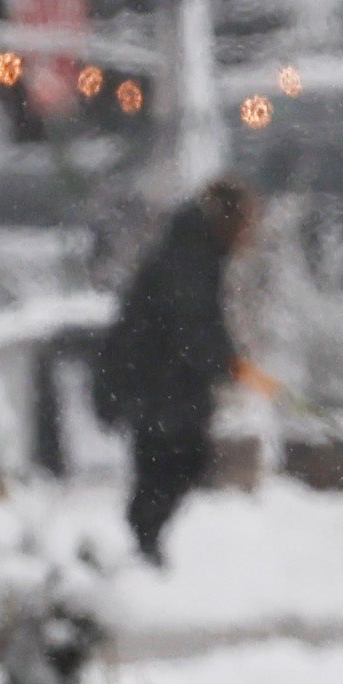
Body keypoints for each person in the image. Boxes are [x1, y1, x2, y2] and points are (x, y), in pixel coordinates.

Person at [96, 179, 258, 564]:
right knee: (175, 460)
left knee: (172, 461)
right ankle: (143, 542)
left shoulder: (196, 250)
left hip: (161, 382)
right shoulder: (191, 256)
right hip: (157, 383)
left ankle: (144, 541)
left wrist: (225, 360)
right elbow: (192, 324)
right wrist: (225, 362)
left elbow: (199, 323)